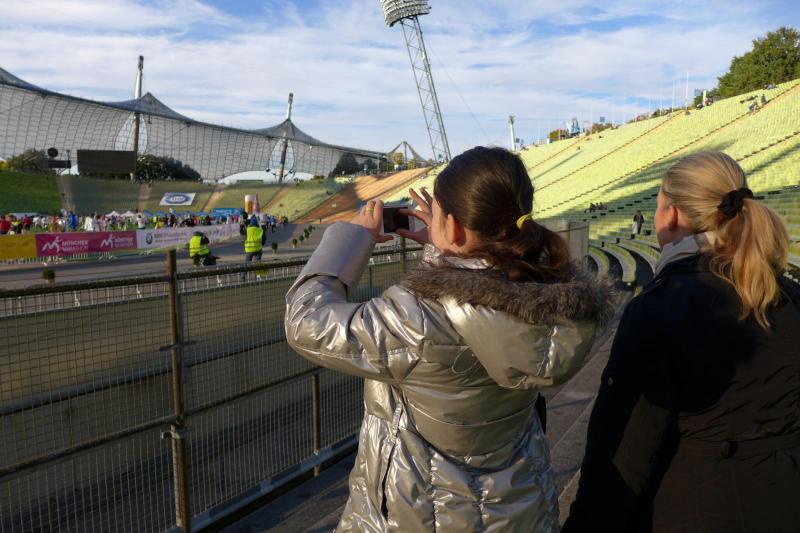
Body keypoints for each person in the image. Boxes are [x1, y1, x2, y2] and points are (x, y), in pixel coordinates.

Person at [284, 146, 615, 532]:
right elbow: (470, 298)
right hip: (517, 507)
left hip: (426, 514)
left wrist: (352, 239)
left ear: (455, 227)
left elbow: (306, 322)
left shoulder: (416, 320)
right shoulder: (544, 290)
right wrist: (446, 251)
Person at [563, 151, 800, 533]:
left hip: (695, 512)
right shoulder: (791, 296)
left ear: (672, 215)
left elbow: (623, 457)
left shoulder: (658, 310)